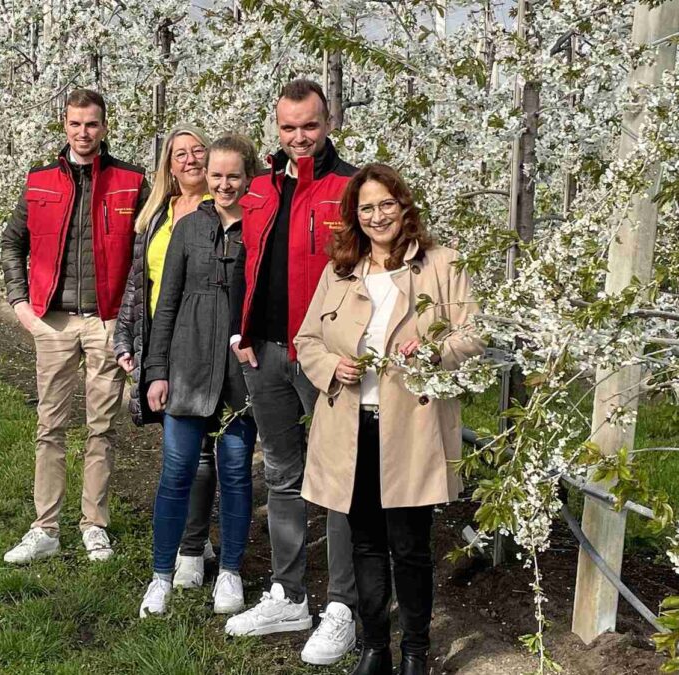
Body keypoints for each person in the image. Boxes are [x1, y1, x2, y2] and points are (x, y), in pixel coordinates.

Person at [295, 164, 484, 675]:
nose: (377, 216)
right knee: (365, 543)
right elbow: (307, 340)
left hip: (413, 428)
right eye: (366, 208)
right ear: (354, 217)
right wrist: (332, 365)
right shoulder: (341, 271)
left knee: (410, 546)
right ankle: (375, 647)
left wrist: (433, 349)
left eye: (386, 205)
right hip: (352, 425)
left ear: (404, 207)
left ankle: (416, 653)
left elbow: (474, 333)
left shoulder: (442, 264)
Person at [225, 78, 358, 665]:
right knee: (281, 471)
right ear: (275, 129)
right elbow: (243, 264)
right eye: (288, 127)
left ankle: (343, 607)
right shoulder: (259, 190)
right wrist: (240, 331)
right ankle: (289, 594)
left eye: (310, 125)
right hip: (266, 355)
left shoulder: (351, 188)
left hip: (323, 357)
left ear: (327, 123)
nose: (299, 137)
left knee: (339, 482)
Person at [0, 89, 149, 564]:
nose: (84, 133)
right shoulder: (40, 181)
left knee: (102, 427)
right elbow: (12, 244)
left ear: (105, 128)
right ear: (64, 126)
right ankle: (45, 527)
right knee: (51, 425)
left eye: (92, 124)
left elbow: (146, 252)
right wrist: (21, 305)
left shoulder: (130, 182)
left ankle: (94, 525)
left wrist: (129, 316)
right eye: (75, 124)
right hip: (55, 320)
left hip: (106, 321)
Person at [138, 134, 261, 618]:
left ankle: (230, 569)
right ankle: (161, 574)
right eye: (217, 175)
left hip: (237, 373)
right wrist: (156, 371)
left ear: (248, 176)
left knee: (235, 472)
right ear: (205, 177)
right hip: (187, 366)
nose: (225, 184)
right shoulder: (188, 228)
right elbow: (165, 304)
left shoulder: (258, 227)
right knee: (176, 473)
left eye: (234, 176)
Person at [115, 125, 221, 588]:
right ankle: (193, 534)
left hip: (201, 340)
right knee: (178, 450)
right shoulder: (156, 212)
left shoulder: (219, 210)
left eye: (199, 150)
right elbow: (141, 281)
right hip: (160, 338)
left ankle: (192, 548)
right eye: (180, 153)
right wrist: (126, 337)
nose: (191, 159)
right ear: (168, 165)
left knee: (198, 450)